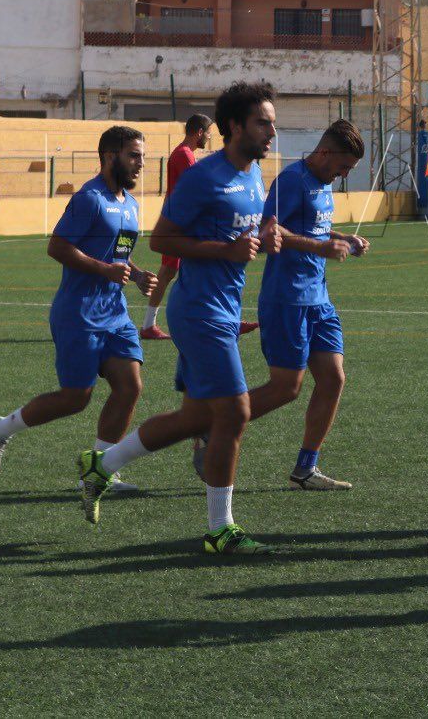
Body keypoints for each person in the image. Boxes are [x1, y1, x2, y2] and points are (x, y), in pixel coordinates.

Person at [77, 81, 283, 554]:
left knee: (195, 417)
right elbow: (163, 240)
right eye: (263, 123)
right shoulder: (203, 177)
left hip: (225, 307)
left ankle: (102, 465)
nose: (272, 132)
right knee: (235, 412)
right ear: (235, 127)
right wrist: (227, 250)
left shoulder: (254, 174)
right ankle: (220, 530)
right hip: (198, 309)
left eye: (272, 123)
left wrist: (270, 235)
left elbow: (247, 232)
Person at [0, 126, 158, 485]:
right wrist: (105, 270)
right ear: (110, 156)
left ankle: (100, 472)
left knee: (130, 387)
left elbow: (118, 254)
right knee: (76, 398)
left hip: (115, 314)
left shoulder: (131, 204)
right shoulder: (89, 198)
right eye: (133, 155)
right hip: (79, 313)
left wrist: (137, 274)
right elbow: (58, 247)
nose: (141, 163)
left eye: (142, 156)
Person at [242, 119, 370, 490]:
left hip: (319, 298)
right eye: (343, 167)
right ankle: (211, 423)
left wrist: (343, 237)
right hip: (287, 298)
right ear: (324, 152)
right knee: (286, 388)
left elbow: (312, 227)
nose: (344, 175)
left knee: (333, 379)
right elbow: (268, 230)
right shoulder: (292, 180)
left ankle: (305, 468)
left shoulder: (323, 181)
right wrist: (320, 247)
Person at [140, 114, 212, 340]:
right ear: (199, 132)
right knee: (170, 272)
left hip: (181, 223)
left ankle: (199, 320)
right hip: (179, 225)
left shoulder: (184, 154)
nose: (210, 137)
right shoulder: (184, 155)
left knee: (180, 271)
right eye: (209, 133)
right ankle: (150, 325)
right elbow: (196, 189)